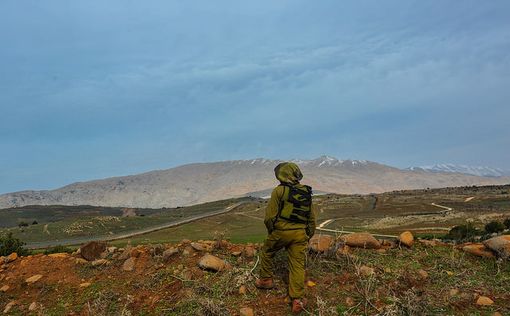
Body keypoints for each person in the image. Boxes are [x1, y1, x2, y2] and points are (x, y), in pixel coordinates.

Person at [255, 162, 316, 314]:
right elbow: (311, 219)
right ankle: (298, 300)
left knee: (268, 251)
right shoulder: (306, 192)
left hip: (281, 231)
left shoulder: (279, 191)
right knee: (297, 265)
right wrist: (307, 235)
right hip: (300, 234)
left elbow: (269, 217)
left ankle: (265, 280)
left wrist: (273, 232)